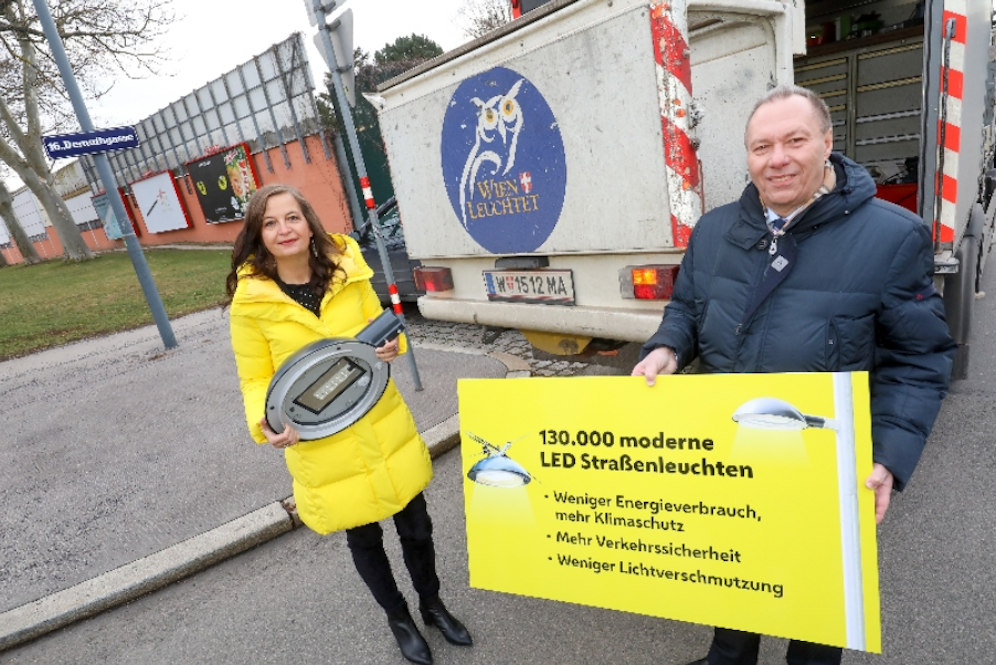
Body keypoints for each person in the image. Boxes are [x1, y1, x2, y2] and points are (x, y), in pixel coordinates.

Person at [632, 84, 955, 665]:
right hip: (731, 452)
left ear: (827, 144)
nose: (776, 158)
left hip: (824, 466)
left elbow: (919, 358)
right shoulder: (713, 231)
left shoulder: (892, 236)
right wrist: (668, 349)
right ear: (748, 156)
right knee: (734, 579)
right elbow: (685, 308)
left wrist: (888, 457)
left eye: (794, 141)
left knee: (817, 609)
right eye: (761, 146)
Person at [226, 184, 472, 665]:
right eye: (271, 223)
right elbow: (255, 378)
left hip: (379, 420)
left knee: (416, 525)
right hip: (320, 437)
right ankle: (399, 619)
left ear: (308, 221)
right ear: (259, 234)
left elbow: (379, 327)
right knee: (363, 536)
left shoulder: (348, 270)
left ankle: (432, 604)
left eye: (292, 217)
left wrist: (389, 347)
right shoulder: (251, 302)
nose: (284, 230)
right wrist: (265, 421)